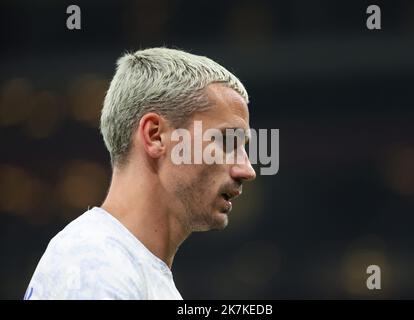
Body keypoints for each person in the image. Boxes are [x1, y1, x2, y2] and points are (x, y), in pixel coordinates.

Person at [24, 47, 256, 300]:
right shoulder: (95, 263)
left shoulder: (123, 264)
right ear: (155, 135)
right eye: (226, 142)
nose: (247, 170)